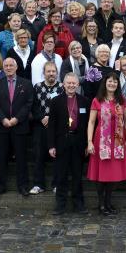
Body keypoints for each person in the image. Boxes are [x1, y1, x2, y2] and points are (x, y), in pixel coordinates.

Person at [86, 74, 126, 215]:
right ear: (105, 83)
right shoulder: (97, 100)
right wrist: (89, 142)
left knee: (114, 173)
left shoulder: (121, 100)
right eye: (110, 81)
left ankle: (108, 202)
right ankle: (101, 204)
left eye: (115, 81)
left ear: (118, 84)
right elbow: (92, 122)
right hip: (101, 141)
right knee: (101, 174)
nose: (112, 83)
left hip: (118, 141)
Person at [0, 57, 35, 196]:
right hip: (2, 126)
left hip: (19, 126)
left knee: (21, 158)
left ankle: (23, 186)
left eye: (11, 65)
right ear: (3, 68)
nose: (9, 68)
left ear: (16, 67)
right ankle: (1, 186)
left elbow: (29, 104)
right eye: (6, 65)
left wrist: (16, 119)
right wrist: (3, 119)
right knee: (2, 157)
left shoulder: (26, 84)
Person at [48, 72, 91, 215]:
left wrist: (87, 144)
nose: (71, 85)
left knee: (77, 175)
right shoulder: (55, 101)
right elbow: (51, 125)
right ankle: (60, 205)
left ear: (78, 85)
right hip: (61, 142)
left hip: (78, 142)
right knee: (61, 175)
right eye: (69, 83)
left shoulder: (85, 101)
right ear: (64, 84)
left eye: (74, 83)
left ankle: (79, 204)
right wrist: (51, 145)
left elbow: (86, 125)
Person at [30, 61, 63, 195]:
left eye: (53, 71)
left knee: (58, 156)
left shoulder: (62, 88)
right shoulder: (37, 87)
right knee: (38, 155)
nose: (51, 74)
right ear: (43, 73)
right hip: (40, 126)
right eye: (48, 71)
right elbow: (33, 106)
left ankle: (57, 184)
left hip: (57, 127)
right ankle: (38, 184)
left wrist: (51, 118)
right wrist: (42, 117)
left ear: (57, 73)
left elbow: (64, 107)